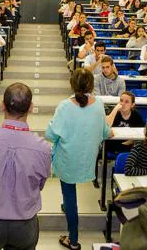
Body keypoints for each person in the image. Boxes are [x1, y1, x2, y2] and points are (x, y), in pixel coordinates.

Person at [0, 82, 51, 250]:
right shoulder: (43, 148)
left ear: (2, 106)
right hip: (24, 224)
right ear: (31, 107)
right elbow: (40, 184)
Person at [46, 69, 112, 250]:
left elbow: (50, 135)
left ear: (72, 84)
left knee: (70, 196)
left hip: (68, 159)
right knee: (69, 196)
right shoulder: (98, 104)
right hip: (87, 159)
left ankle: (73, 240)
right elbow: (105, 132)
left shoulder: (65, 106)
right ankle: (66, 206)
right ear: (91, 85)